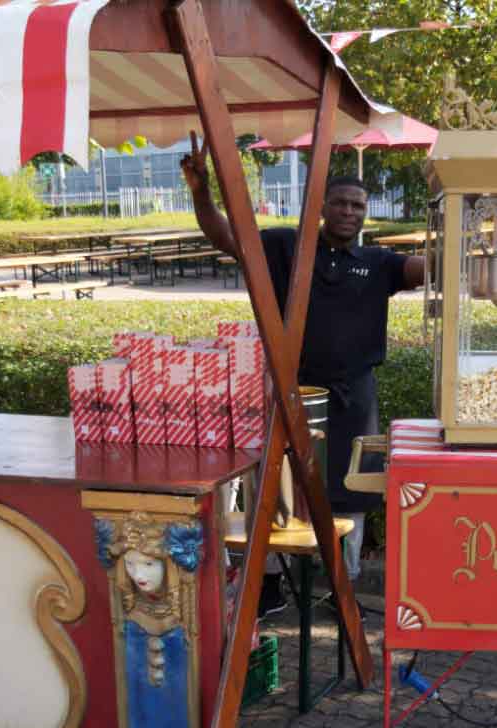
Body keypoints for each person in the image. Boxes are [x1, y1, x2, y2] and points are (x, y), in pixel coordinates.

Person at [181, 142, 425, 618]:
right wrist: (201, 194)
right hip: (292, 391)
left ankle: (344, 585)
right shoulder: (285, 247)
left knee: (351, 493)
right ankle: (269, 586)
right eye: (339, 203)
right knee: (278, 486)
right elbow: (225, 237)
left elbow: (427, 269)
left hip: (354, 396)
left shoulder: (378, 263)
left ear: (364, 212)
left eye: (357, 205)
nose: (348, 212)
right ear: (321, 207)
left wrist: (467, 238)